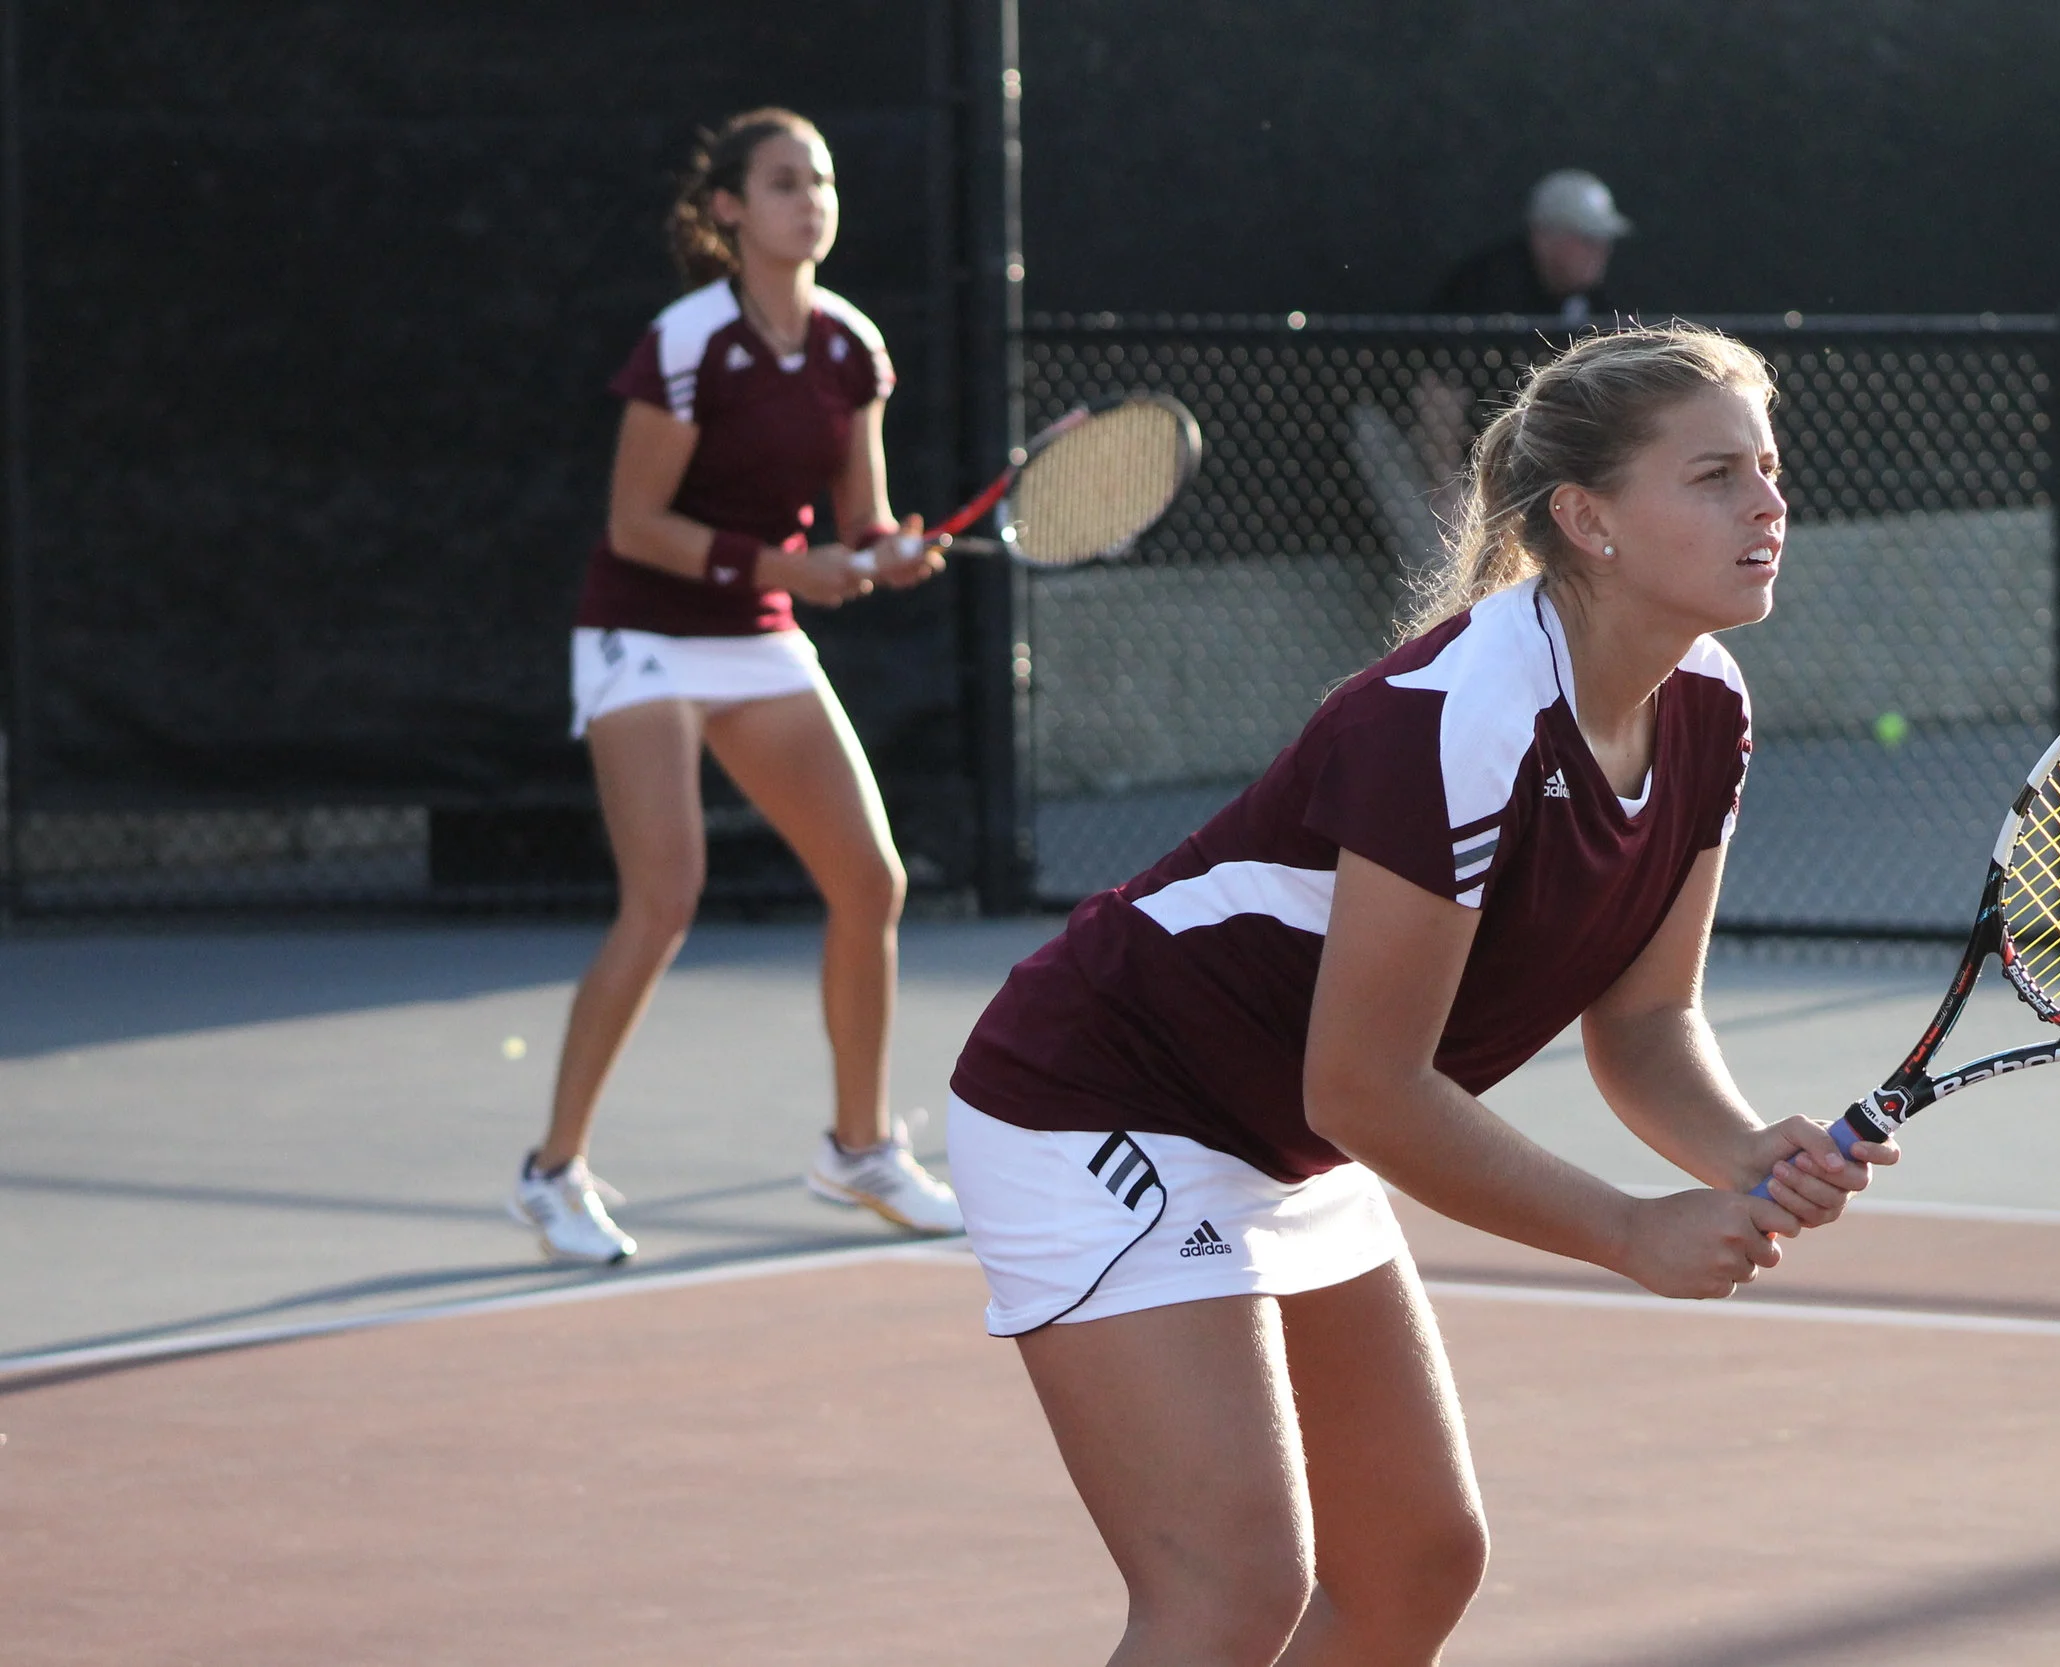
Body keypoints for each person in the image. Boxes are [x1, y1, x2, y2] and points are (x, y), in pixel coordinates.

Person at [943, 322, 1896, 1663]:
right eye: (1715, 474)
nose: (1767, 502)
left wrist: (1743, 1150)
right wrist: (1631, 1227)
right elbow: (1366, 1084)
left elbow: (1644, 1022)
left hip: (1285, 1130)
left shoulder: (1706, 707)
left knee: (1414, 1562)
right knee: (1228, 1591)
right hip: (1105, 1099)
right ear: (1588, 520)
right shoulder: (1460, 712)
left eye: (1769, 467)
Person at [508, 108, 962, 1263]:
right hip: (643, 631)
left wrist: (886, 550)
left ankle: (859, 1147)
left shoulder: (851, 347)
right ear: (728, 210)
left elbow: (860, 516)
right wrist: (787, 568)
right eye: (782, 183)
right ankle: (552, 1171)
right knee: (666, 895)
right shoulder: (688, 340)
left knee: (870, 881)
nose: (810, 201)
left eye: (822, 180)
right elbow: (635, 524)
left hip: (755, 634)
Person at [1428, 168, 1633, 326]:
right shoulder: (1485, 291)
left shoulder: (1598, 302)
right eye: (1587, 239)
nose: (1601, 252)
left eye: (1605, 240)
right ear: (1543, 238)